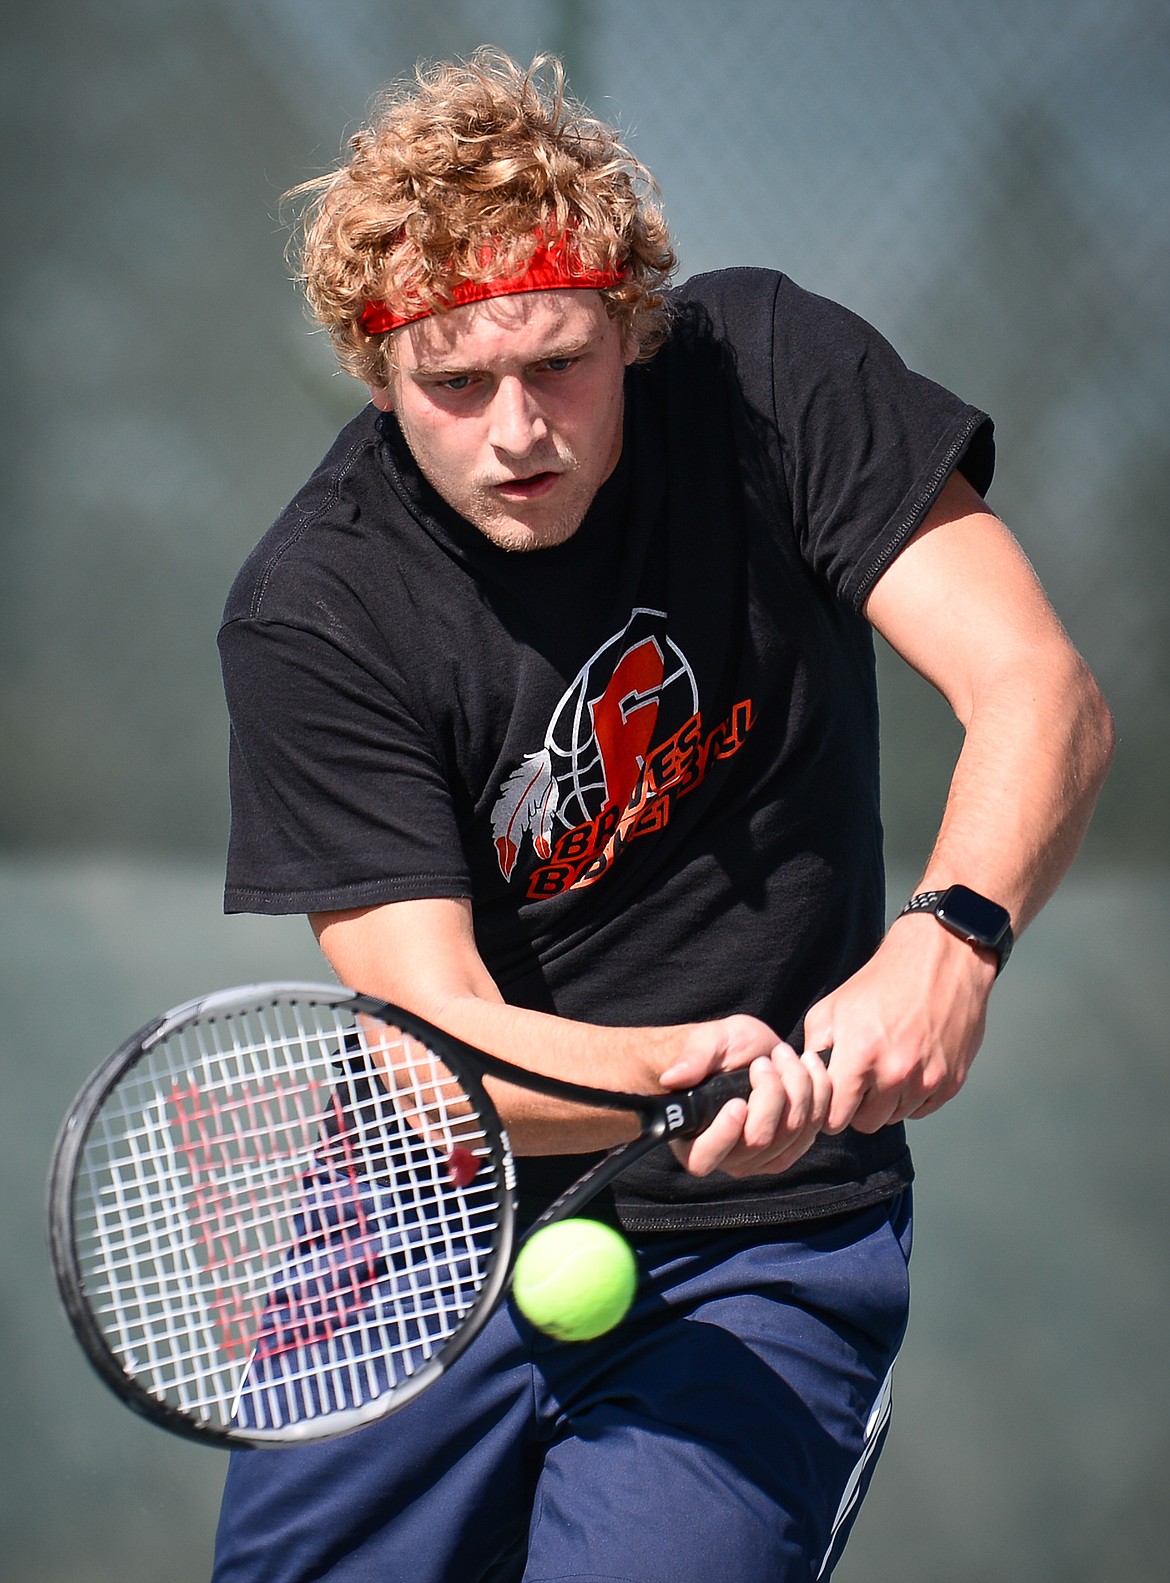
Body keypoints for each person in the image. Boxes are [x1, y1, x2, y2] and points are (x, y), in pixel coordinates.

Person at [211, 48, 1113, 1583]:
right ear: (375, 373)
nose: (516, 431)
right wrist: (672, 1072)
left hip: (763, 1244)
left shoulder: (769, 375)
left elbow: (1040, 688)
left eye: (557, 363)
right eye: (452, 383)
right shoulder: (316, 608)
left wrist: (952, 935)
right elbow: (434, 1051)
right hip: (415, 1234)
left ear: (630, 325)